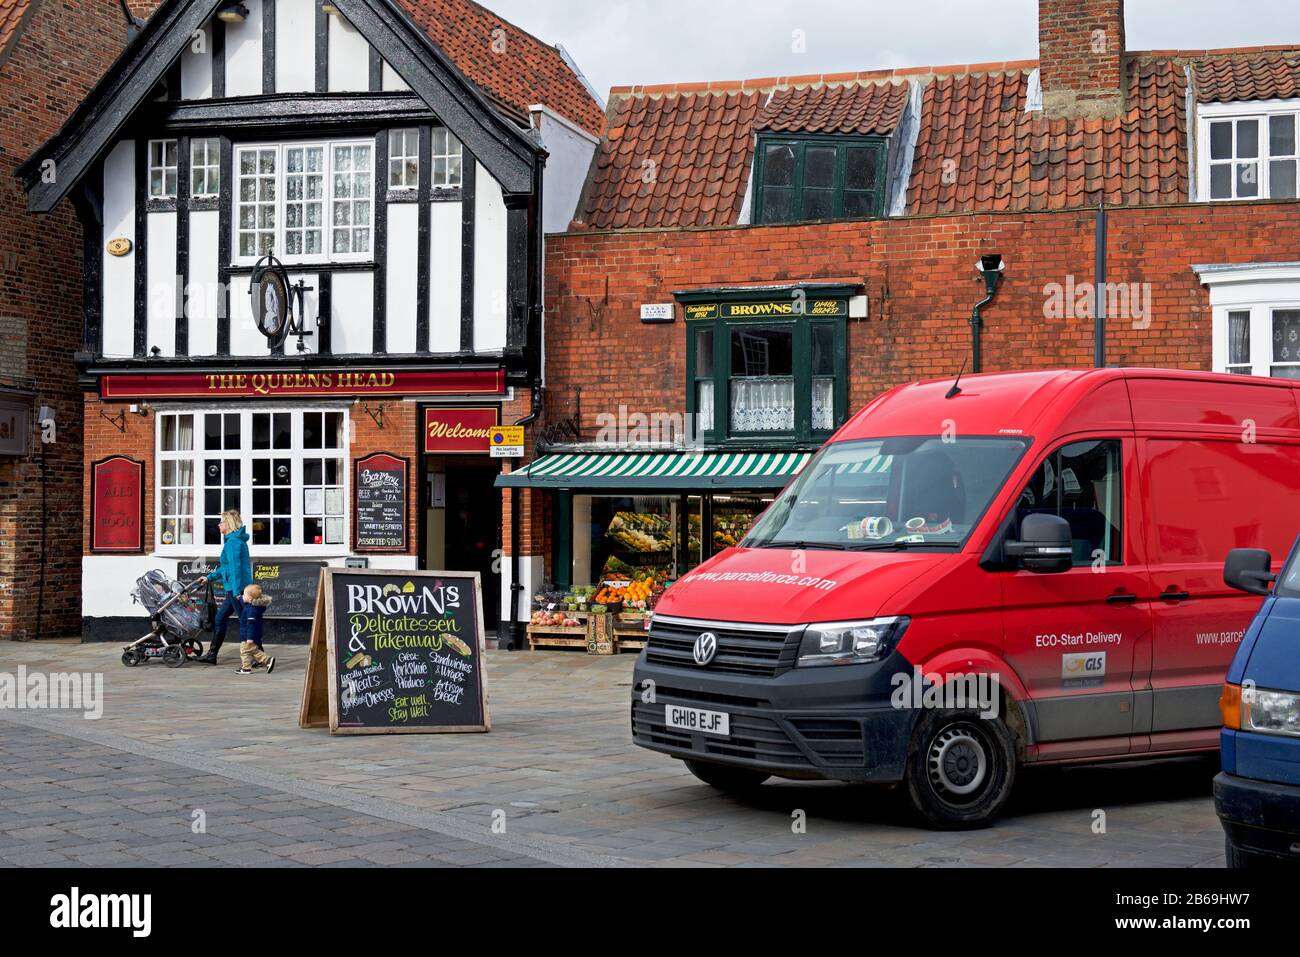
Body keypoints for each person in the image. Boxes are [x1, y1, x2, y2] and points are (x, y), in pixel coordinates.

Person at [196, 510, 252, 665]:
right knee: (220, 618)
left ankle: (256, 657)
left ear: (229, 524)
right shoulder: (234, 541)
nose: (219, 524)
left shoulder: (233, 543)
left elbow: (235, 568)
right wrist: (209, 578)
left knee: (245, 621)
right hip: (234, 588)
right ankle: (211, 655)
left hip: (237, 589)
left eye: (221, 522)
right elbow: (226, 568)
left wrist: (236, 591)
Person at [235, 583, 275, 676]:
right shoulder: (253, 606)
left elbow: (251, 625)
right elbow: (244, 600)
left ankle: (246, 668)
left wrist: (249, 637)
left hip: (248, 635)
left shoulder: (251, 610)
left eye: (244, 595)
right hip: (253, 634)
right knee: (253, 651)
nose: (242, 596)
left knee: (244, 651)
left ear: (249, 599)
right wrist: (240, 597)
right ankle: (267, 660)